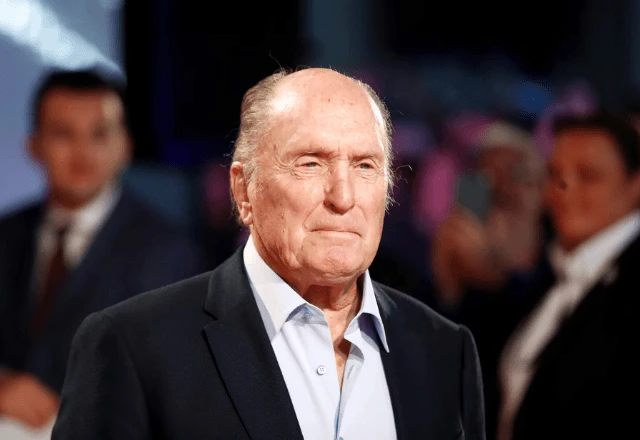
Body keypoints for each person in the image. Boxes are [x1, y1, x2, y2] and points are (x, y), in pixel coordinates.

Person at [52, 68, 486, 440]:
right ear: (244, 191)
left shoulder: (446, 352)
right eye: (311, 163)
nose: (343, 197)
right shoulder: (131, 348)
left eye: (364, 166)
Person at [0, 69, 205, 429]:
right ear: (34, 145)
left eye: (100, 133)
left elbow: (172, 382)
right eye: (63, 133)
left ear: (125, 146)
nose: (83, 151)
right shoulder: (6, 234)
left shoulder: (168, 253)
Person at [494, 113, 640, 440]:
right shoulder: (555, 275)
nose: (565, 190)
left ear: (635, 183)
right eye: (555, 175)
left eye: (588, 176)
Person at [425, 122, 549, 438]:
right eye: (487, 176)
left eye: (516, 173)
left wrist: (496, 279)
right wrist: (448, 283)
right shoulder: (457, 245)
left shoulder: (562, 264)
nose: (501, 186)